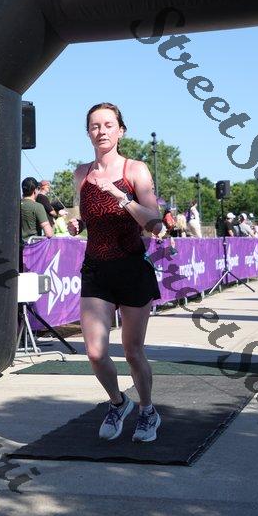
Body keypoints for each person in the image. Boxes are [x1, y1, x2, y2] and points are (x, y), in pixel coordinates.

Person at [68, 102, 162, 443]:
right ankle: (118, 402)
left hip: (132, 268)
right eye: (95, 125)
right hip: (96, 269)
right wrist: (77, 223)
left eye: (108, 125)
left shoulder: (135, 170)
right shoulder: (81, 174)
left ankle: (148, 411)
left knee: (133, 352)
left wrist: (122, 197)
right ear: (88, 133)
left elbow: (155, 224)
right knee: (95, 352)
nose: (102, 131)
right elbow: (83, 214)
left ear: (121, 130)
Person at [20, 177, 53, 242]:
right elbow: (49, 234)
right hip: (33, 245)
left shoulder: (15, 206)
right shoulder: (38, 207)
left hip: (16, 245)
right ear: (35, 190)